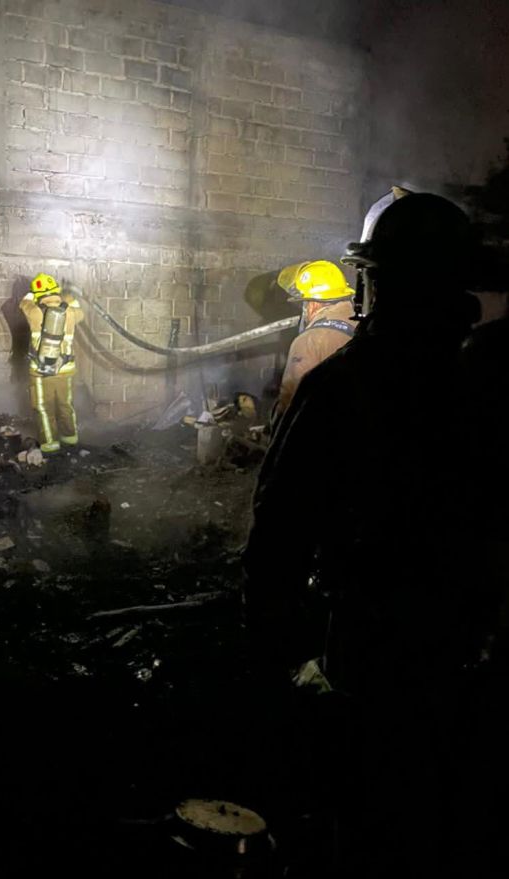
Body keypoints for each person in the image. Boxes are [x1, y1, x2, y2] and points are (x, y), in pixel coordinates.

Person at [243, 193, 497, 876]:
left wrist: (264, 657)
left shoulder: (344, 385)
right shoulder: (487, 381)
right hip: (467, 643)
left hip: (370, 637)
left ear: (373, 281)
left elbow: (279, 528)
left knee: (368, 806)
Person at [275, 260, 356, 415]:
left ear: (312, 305)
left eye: (302, 305)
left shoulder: (308, 342)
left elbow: (289, 403)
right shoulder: (362, 326)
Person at [19, 273, 84, 453]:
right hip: (66, 369)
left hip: (41, 372)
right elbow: (81, 313)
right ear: (56, 291)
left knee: (43, 407)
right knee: (66, 405)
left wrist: (31, 293)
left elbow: (23, 303)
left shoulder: (34, 311)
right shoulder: (71, 312)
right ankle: (70, 440)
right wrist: (67, 295)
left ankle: (50, 444)